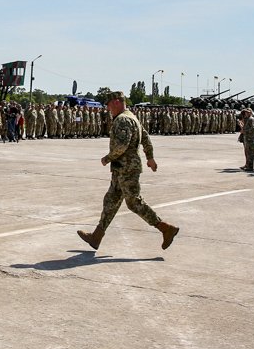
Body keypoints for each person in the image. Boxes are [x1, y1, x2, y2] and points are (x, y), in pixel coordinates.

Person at [76, 92, 179, 251]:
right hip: (122, 168)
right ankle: (96, 236)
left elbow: (122, 145)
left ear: (116, 102)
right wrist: (150, 157)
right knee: (111, 200)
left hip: (127, 168)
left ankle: (165, 228)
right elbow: (145, 138)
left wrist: (107, 158)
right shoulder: (133, 117)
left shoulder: (123, 119)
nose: (108, 108)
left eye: (109, 104)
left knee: (133, 202)